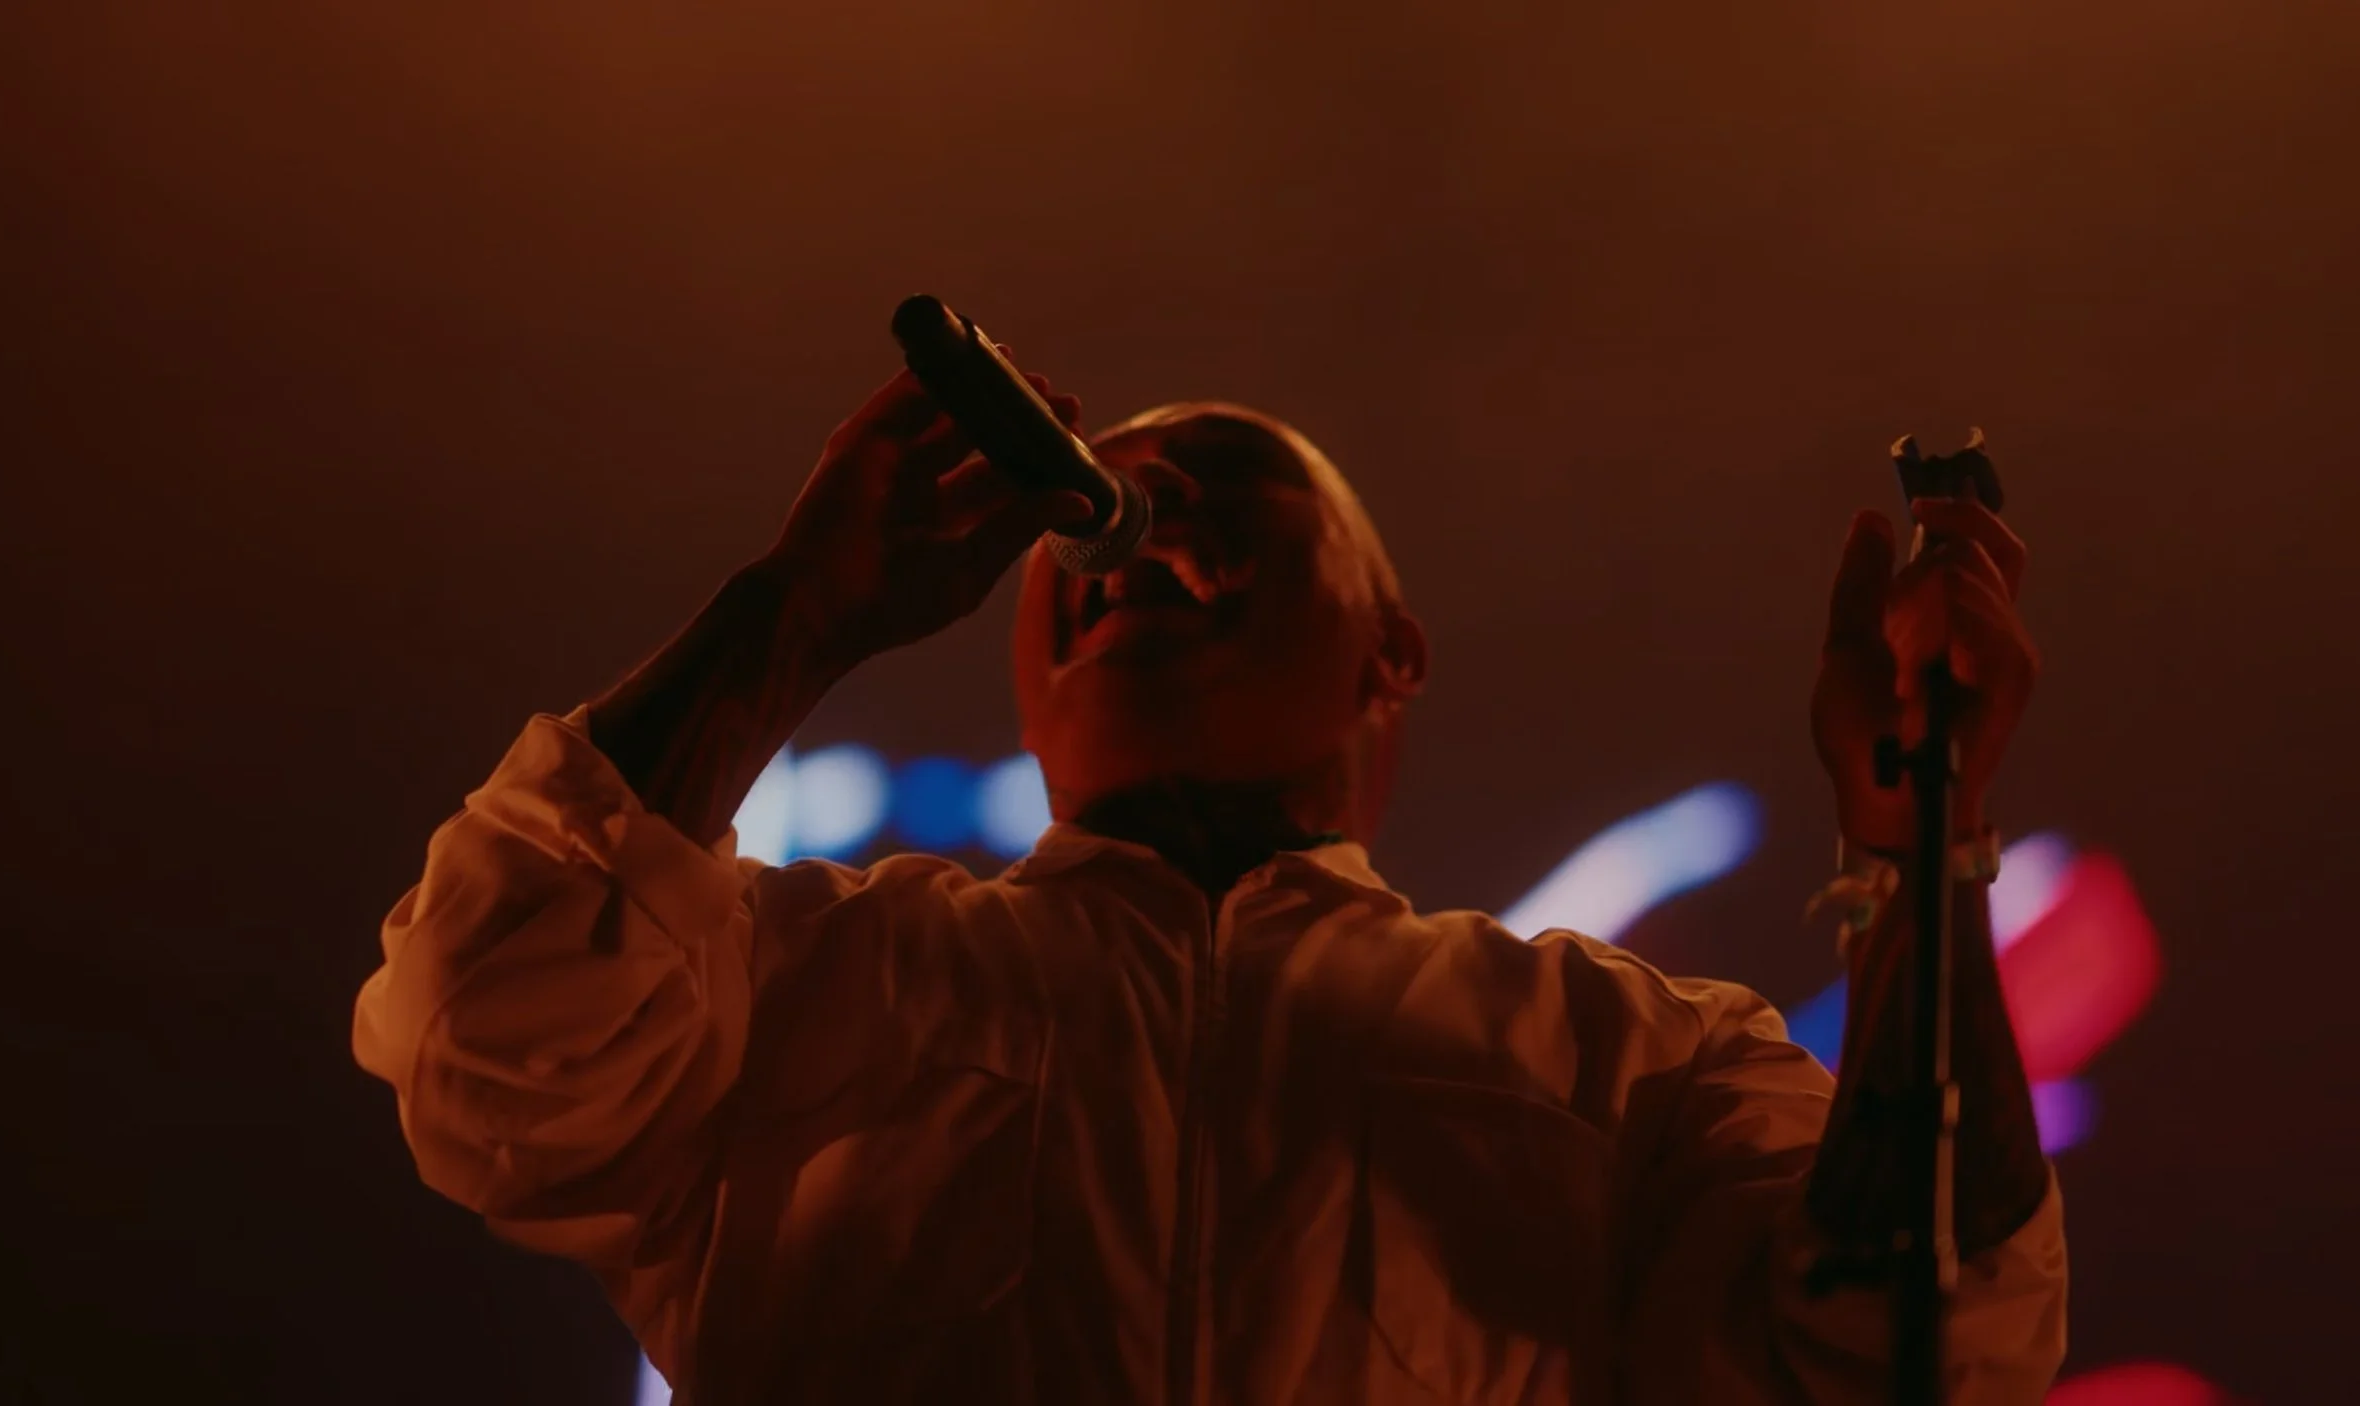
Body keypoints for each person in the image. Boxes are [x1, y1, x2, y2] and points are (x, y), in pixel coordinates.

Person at [352, 365, 2066, 1403]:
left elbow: (1921, 1341)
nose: (1138, 518)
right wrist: (799, 607)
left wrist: (1921, 844)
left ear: (1391, 651)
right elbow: (486, 1024)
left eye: (1223, 493)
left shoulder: (1627, 1056)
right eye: (1107, 502)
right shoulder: (796, 978)